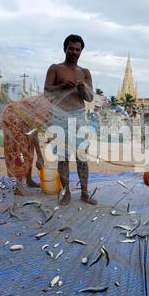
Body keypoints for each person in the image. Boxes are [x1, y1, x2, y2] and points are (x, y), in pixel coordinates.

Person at [44, 34, 97, 206]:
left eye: (77, 49)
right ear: (65, 49)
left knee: (82, 157)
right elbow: (47, 91)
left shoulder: (85, 72)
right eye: (71, 48)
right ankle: (66, 192)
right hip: (60, 117)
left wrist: (82, 88)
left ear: (81, 51)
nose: (74, 52)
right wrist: (61, 87)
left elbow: (89, 98)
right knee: (63, 157)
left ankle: (84, 193)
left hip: (79, 117)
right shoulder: (55, 68)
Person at [2, 95, 52, 196]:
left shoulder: (51, 106)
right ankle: (19, 187)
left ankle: (29, 180)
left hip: (23, 120)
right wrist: (40, 156)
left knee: (29, 146)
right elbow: (34, 132)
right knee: (19, 150)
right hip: (13, 118)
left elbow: (34, 131)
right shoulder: (45, 106)